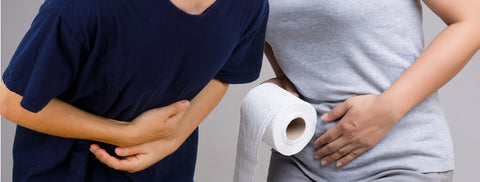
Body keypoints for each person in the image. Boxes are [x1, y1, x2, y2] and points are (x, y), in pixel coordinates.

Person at [0, 0, 268, 181]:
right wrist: (125, 133)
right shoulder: (86, 7)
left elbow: (224, 74)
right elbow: (10, 100)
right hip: (66, 170)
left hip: (165, 169)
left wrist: (173, 139)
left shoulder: (249, 5)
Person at [264, 0, 479, 181]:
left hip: (397, 159)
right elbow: (263, 26)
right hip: (299, 157)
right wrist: (285, 78)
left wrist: (388, 108)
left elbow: (473, 20)